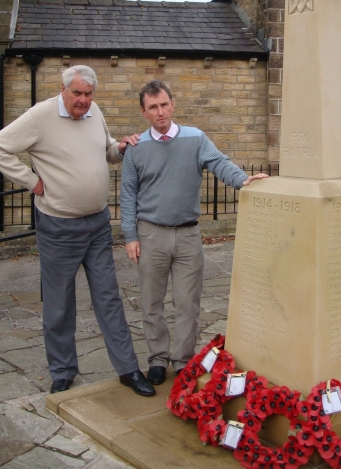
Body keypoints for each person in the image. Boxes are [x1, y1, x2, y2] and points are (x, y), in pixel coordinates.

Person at [0, 65, 155, 396]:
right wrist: (31, 181)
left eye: (88, 94)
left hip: (97, 223)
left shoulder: (94, 112)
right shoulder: (39, 116)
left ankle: (128, 369)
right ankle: (62, 370)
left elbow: (107, 150)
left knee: (109, 298)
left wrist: (121, 148)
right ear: (63, 89)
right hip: (58, 225)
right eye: (77, 93)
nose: (83, 100)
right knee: (58, 304)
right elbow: (1, 147)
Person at [120, 79, 268, 386]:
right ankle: (158, 358)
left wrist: (243, 180)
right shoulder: (135, 149)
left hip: (188, 236)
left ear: (172, 104)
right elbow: (128, 194)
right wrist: (130, 235)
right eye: (153, 107)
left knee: (188, 303)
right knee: (151, 302)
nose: (160, 112)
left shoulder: (195, 138)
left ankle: (183, 359)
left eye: (164, 104)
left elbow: (219, 163)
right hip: (151, 235)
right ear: (143, 112)